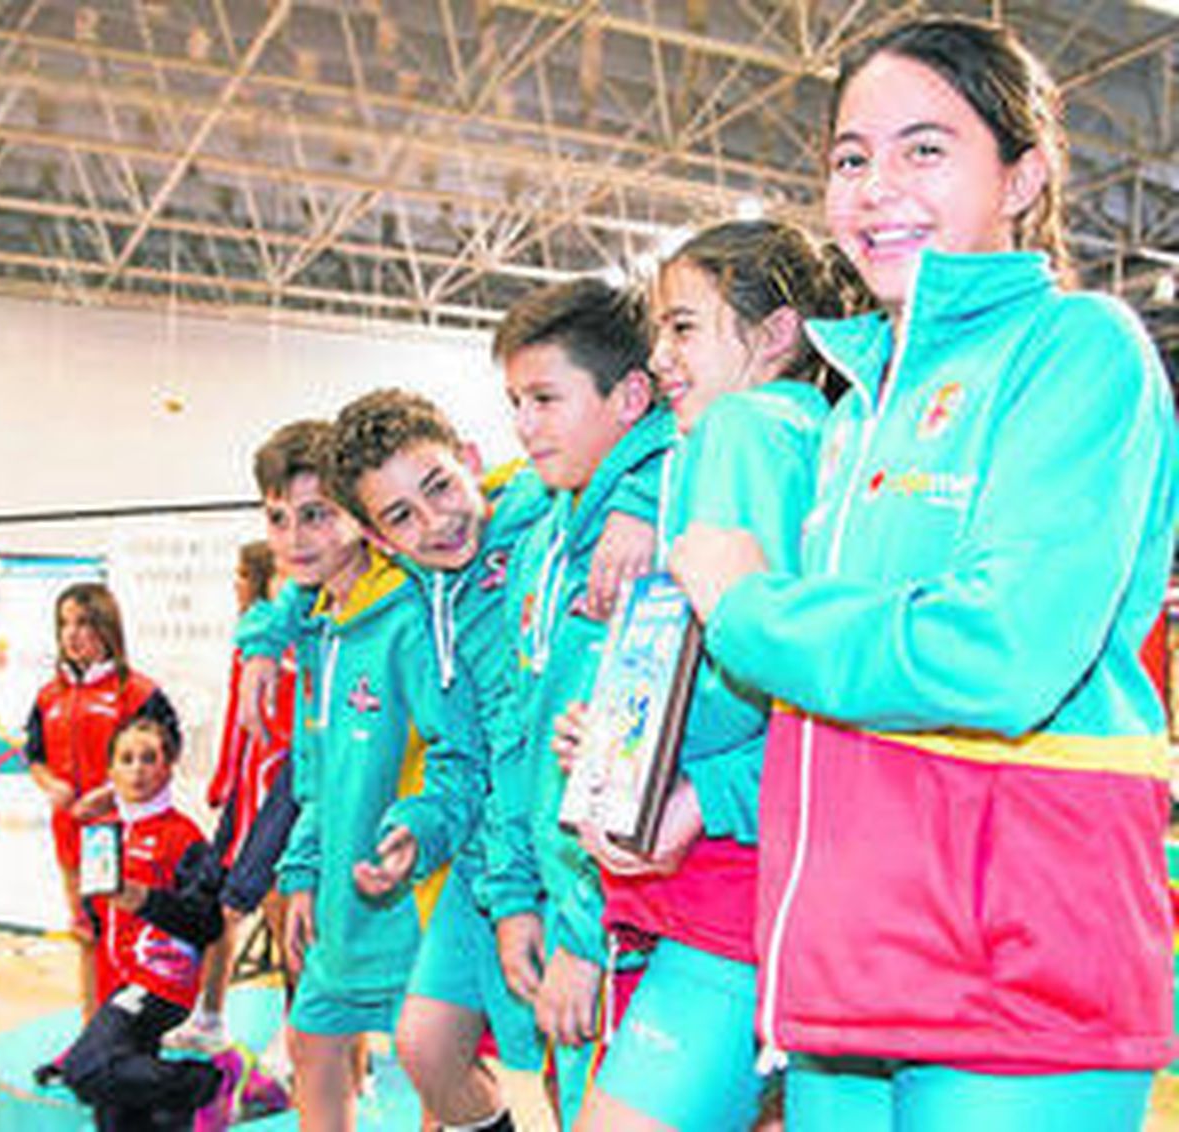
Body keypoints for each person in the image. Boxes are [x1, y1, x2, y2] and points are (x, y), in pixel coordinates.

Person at [669, 17, 1177, 1131]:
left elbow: (998, 652)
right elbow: (823, 708)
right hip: (848, 975)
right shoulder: (858, 414)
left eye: (924, 149)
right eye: (850, 158)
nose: (875, 187)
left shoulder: (1078, 350)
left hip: (1017, 975)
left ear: (1023, 175)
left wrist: (747, 607)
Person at [563, 220, 849, 1132]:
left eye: (684, 328)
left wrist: (669, 772)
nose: (661, 355)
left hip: (737, 873)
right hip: (761, 863)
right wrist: (627, 734)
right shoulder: (812, 436)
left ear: (775, 335)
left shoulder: (747, 426)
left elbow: (763, 656)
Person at [250, 419, 482, 1132]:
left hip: (418, 895)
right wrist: (298, 872)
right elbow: (314, 776)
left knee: (436, 1067)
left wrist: (414, 833)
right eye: (279, 519)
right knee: (311, 1042)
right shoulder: (319, 626)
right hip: (339, 902)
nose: (295, 539)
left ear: (362, 518)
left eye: (316, 514)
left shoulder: (411, 616)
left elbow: (456, 749)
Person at [487, 277, 678, 1128]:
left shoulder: (659, 536)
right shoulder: (544, 536)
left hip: (632, 928)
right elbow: (516, 735)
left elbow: (632, 761)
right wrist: (515, 893)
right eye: (516, 402)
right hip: (557, 900)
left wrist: (583, 932)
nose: (525, 426)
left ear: (631, 397)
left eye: (545, 399)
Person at [39, 714, 228, 1132]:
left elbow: (208, 923)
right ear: (111, 772)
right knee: (123, 1115)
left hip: (160, 983)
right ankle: (180, 1112)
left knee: (85, 1069)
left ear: (168, 766)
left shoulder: (185, 838)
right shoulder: (104, 834)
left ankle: (215, 1081)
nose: (138, 769)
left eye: (149, 758)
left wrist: (144, 900)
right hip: (119, 986)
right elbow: (100, 916)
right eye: (126, 759)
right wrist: (87, 922)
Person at [25, 580, 180, 1018]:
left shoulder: (138, 692)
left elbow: (167, 754)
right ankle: (91, 1036)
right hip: (71, 834)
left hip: (123, 834)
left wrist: (113, 792)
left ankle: (132, 1034)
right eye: (65, 625)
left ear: (107, 628)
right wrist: (50, 784)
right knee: (86, 933)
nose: (72, 634)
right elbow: (34, 754)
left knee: (129, 934)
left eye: (84, 623)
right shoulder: (48, 695)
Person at [177, 539, 300, 1051]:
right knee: (219, 907)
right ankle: (209, 1014)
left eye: (242, 574)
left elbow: (296, 739)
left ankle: (306, 1041)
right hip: (247, 796)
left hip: (285, 798)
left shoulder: (302, 648)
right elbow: (238, 723)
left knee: (285, 917)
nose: (236, 584)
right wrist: (225, 780)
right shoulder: (251, 645)